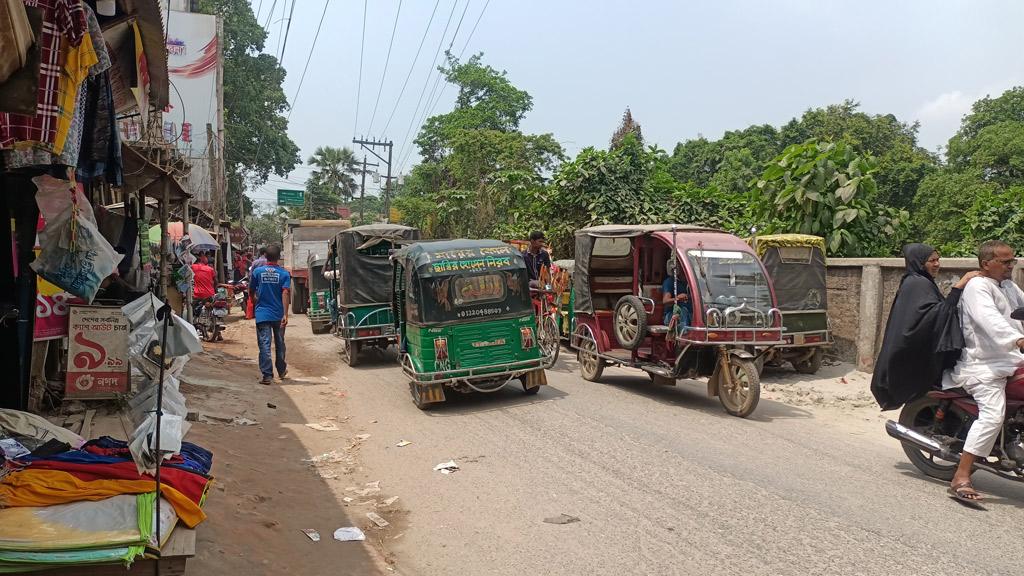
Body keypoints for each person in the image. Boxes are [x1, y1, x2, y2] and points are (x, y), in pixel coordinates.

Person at [943, 240, 1024, 503]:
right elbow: (990, 320)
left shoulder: (1008, 286)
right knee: (993, 414)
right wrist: (1018, 340)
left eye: (1012, 261)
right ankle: (961, 476)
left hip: (1011, 359)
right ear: (986, 263)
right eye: (1005, 262)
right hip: (985, 363)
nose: (1011, 266)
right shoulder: (977, 287)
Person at [870, 244, 980, 410]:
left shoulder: (922, 282)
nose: (937, 264)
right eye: (932, 261)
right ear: (919, 262)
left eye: (938, 260)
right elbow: (935, 316)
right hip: (909, 350)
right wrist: (959, 287)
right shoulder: (916, 284)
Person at [251, 244, 291, 385]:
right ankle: (281, 370)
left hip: (262, 314)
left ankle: (267, 375)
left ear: (265, 256)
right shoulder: (284, 274)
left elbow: (251, 291)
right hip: (278, 315)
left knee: (264, 344)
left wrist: (255, 302)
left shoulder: (257, 272)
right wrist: (285, 314)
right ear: (279, 257)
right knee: (280, 343)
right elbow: (285, 293)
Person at [662, 257, 692, 328]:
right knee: (683, 311)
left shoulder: (692, 282)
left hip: (691, 314)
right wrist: (678, 298)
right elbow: (665, 301)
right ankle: (683, 337)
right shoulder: (669, 282)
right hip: (672, 315)